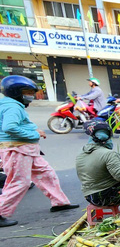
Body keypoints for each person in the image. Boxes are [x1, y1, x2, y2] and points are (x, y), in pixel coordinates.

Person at [0, 75, 78, 227]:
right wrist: (35, 134)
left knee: (46, 173)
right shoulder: (13, 107)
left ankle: (59, 202)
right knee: (19, 182)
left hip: (27, 149)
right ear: (16, 92)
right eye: (27, 92)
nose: (31, 95)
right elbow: (9, 127)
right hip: (18, 149)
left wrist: (33, 131)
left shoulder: (10, 105)